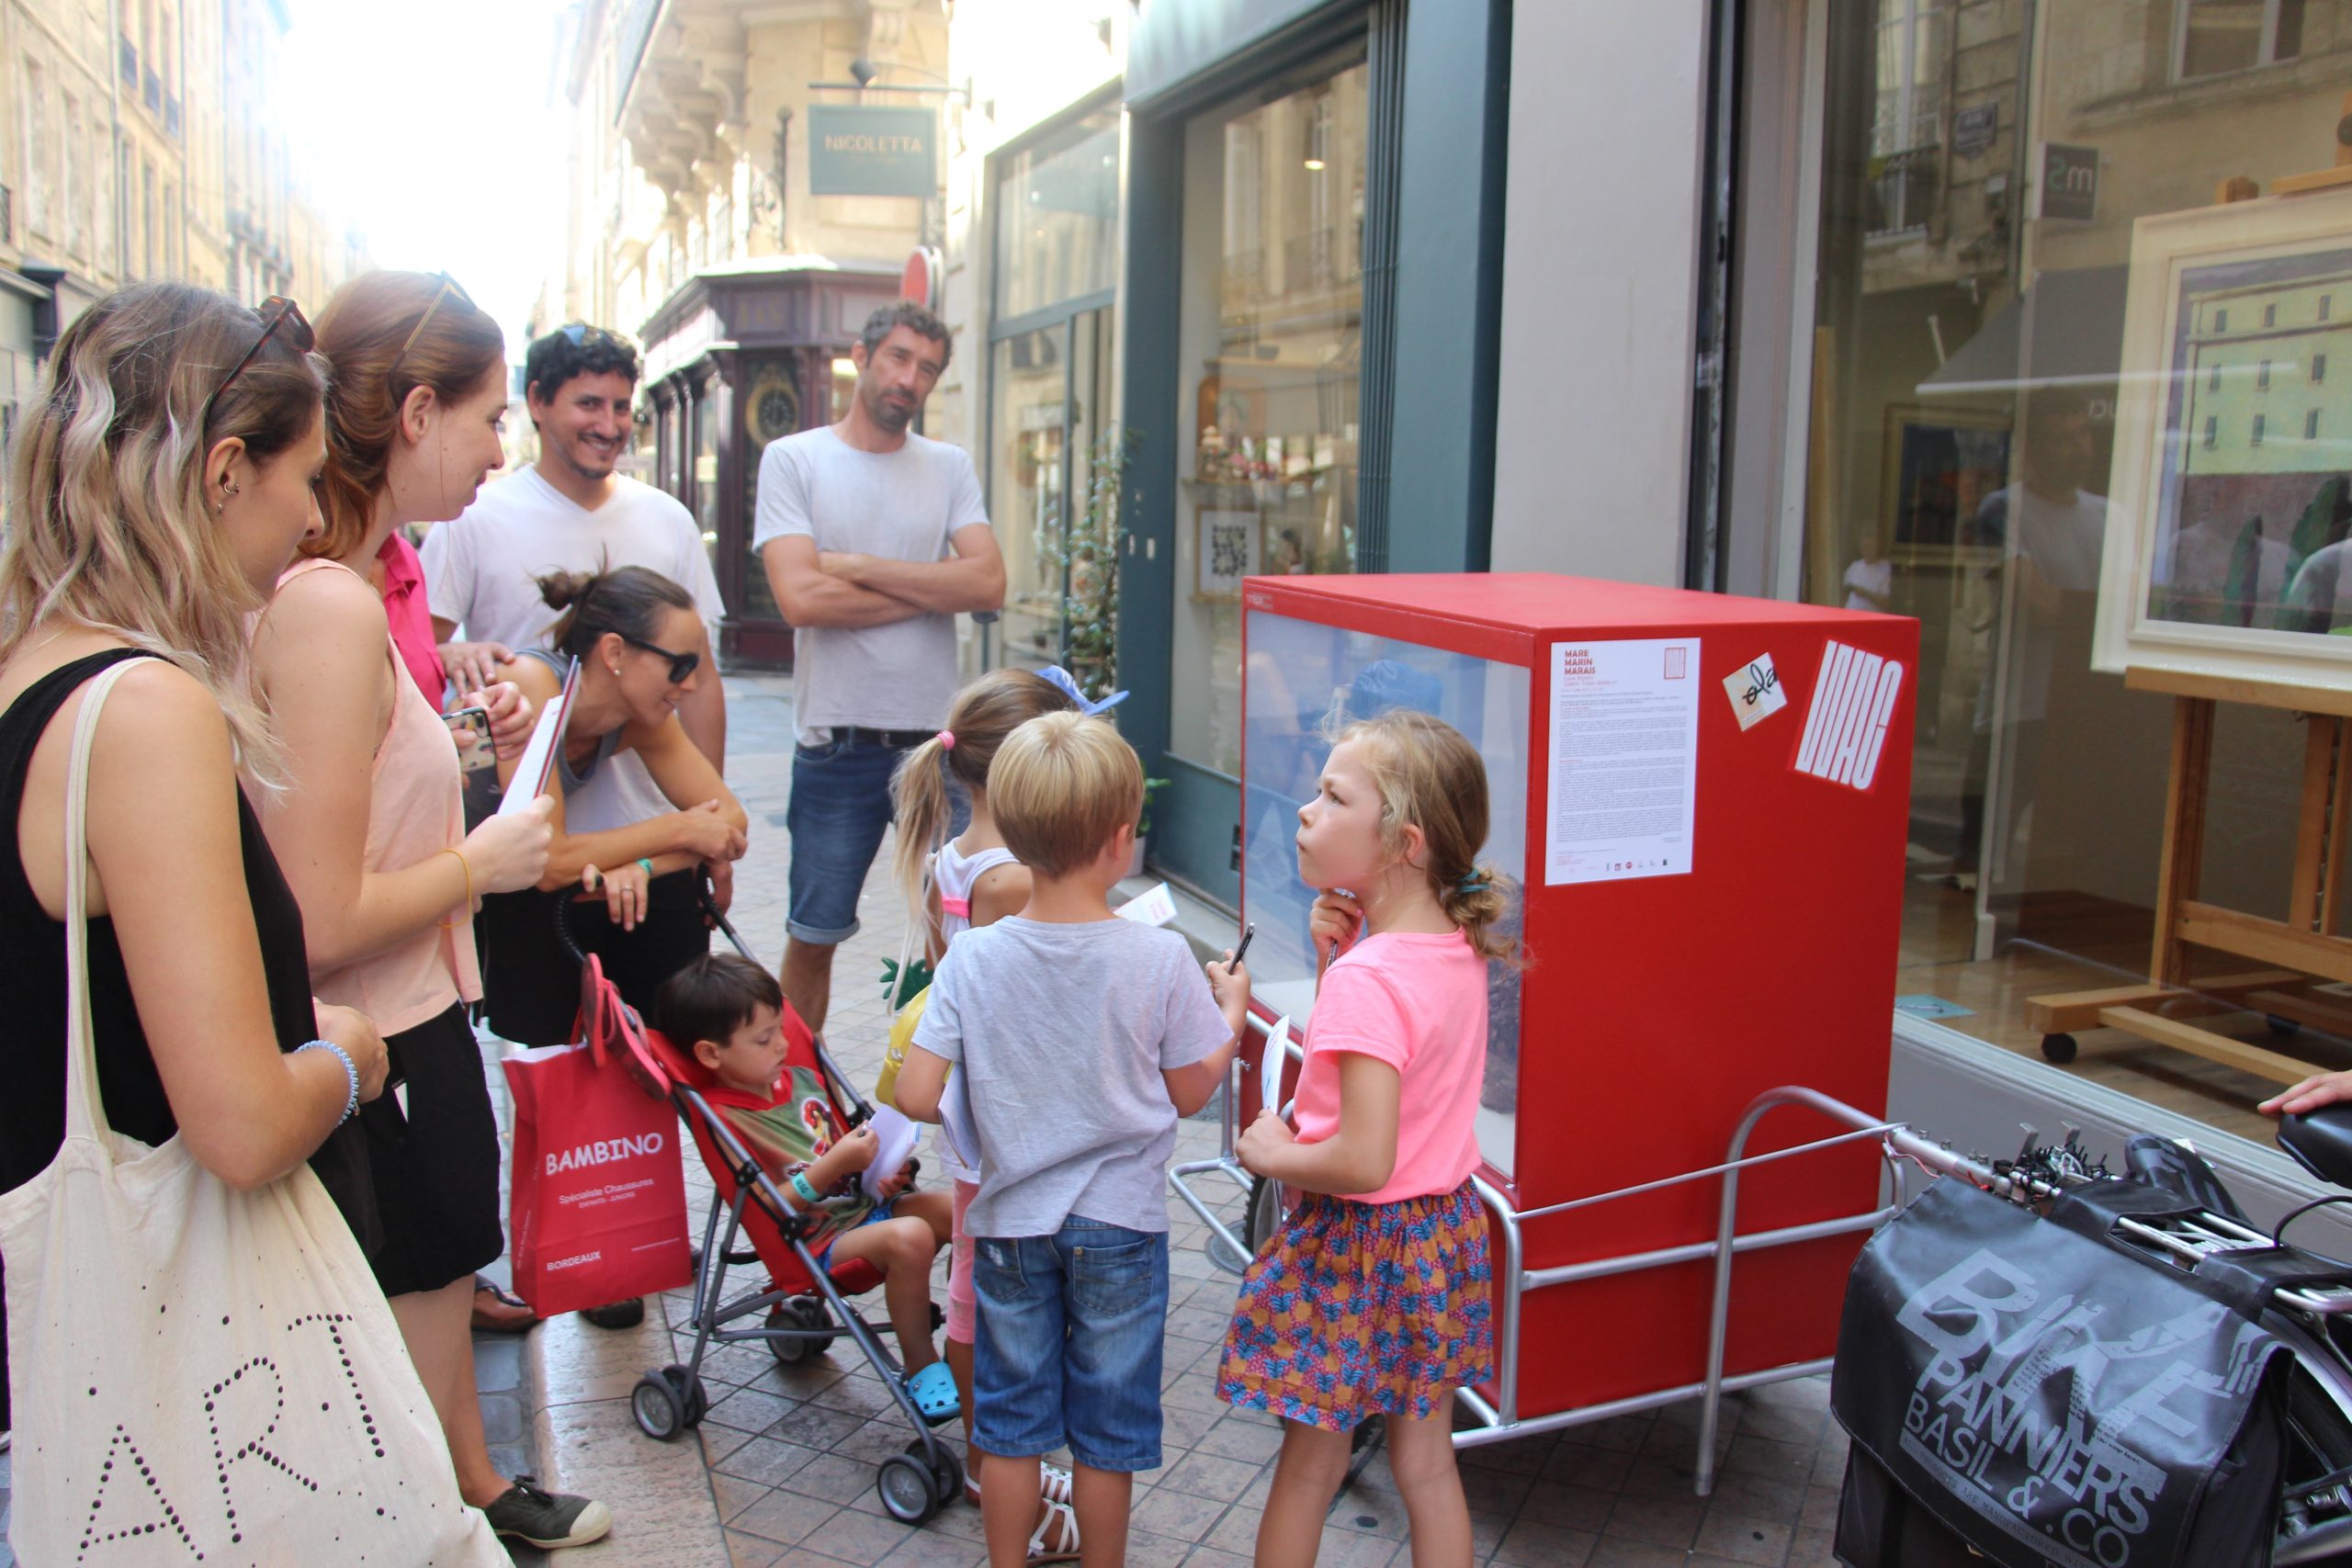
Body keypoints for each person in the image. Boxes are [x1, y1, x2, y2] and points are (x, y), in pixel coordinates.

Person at [0, 285, 387, 1476]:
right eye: (305, 477)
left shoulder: (28, 661)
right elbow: (241, 1122)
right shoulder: (143, 710)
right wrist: (348, 1052)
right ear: (225, 469)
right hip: (172, 1376)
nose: (312, 518)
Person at [254, 268, 610, 1550]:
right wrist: (487, 858)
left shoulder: (382, 574)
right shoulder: (326, 600)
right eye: (486, 417)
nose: (498, 449)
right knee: (416, 1269)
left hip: (418, 998)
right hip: (378, 1016)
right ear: (413, 412)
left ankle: (467, 1484)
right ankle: (439, 1509)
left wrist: (462, 707)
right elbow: (315, 908)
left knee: (445, 1254)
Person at [894, 712, 1247, 1568]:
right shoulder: (1158, 958)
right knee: (1107, 1431)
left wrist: (1003, 1108)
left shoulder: (973, 956)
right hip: (1122, 1224)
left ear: (1012, 830)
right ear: (1121, 841)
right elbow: (1192, 1086)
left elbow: (916, 1089)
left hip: (1011, 1221)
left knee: (1012, 1427)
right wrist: (1230, 1018)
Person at [1215, 709, 1509, 1568]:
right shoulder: (1452, 945)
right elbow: (1387, 1084)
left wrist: (1268, 1153)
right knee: (1427, 1462)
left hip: (1356, 1243)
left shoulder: (1373, 976)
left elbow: (1361, 1156)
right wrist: (1335, 965)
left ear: (1402, 842)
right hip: (1441, 1232)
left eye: (1332, 795)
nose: (1306, 808)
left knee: (1310, 1467)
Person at [888, 667, 1104, 1549]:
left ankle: (998, 1449)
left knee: (983, 1288)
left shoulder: (959, 854)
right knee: (981, 1302)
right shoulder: (1016, 877)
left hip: (986, 1117)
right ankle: (989, 1465)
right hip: (1007, 1130)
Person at [755, 299, 1008, 1033]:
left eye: (927, 368)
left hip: (941, 747)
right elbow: (800, 597)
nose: (910, 378)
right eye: (898, 359)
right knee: (814, 934)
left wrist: (858, 567)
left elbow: (988, 584)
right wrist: (933, 586)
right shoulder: (795, 459)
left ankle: (950, 1103)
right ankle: (803, 1105)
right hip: (836, 745)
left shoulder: (948, 466)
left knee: (961, 930)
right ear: (861, 360)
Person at [421, 321, 733, 914]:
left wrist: (699, 828)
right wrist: (451, 655)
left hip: (650, 851)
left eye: (621, 407)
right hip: (527, 854)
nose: (609, 425)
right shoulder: (473, 516)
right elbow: (417, 661)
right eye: (588, 403)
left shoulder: (667, 518)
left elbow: (702, 681)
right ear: (538, 401)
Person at [653, 953, 956, 1416]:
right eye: (763, 1038)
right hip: (815, 1242)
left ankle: (974, 1328)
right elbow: (771, 1206)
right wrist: (835, 1164)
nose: (781, 1045)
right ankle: (920, 1367)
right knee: (910, 1235)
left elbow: (845, 1161)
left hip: (862, 1208)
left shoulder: (801, 1079)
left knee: (965, 1207)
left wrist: (883, 1172)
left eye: (780, 1029)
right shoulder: (727, 1121)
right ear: (711, 1053)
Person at [478, 564, 748, 1045]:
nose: (689, 686)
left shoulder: (641, 715)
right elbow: (547, 860)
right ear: (615, 651)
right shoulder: (530, 685)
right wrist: (678, 832)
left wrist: (642, 865)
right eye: (680, 666)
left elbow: (729, 824)